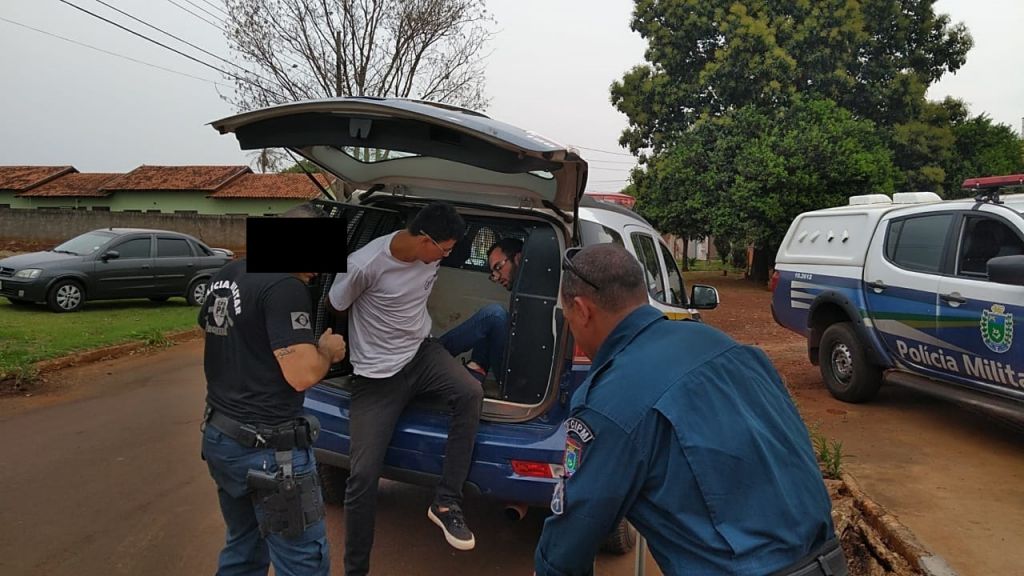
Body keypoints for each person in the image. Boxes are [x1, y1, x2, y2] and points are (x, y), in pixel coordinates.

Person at [534, 243, 847, 576]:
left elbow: (569, 542)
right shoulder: (733, 350)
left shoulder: (610, 401)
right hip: (830, 560)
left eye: (569, 321)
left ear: (582, 310)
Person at [328, 201, 484, 576]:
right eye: (444, 249)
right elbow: (336, 304)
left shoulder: (429, 257)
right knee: (363, 476)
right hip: (377, 377)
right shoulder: (364, 264)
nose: (444, 257)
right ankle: (355, 570)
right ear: (424, 239)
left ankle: (446, 503)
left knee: (470, 393)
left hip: (421, 354)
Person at [199, 202, 347, 576]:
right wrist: (326, 352)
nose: (316, 272)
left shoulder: (228, 273)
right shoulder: (285, 286)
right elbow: (301, 374)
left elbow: (217, 329)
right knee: (304, 564)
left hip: (221, 437)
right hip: (269, 452)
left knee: (244, 547)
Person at [438, 237, 523, 382]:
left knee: (494, 315)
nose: (496, 277)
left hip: (521, 377)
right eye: (493, 272)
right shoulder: (522, 291)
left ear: (518, 259)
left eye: (498, 267)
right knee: (494, 321)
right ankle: (476, 366)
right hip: (516, 364)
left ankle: (430, 355)